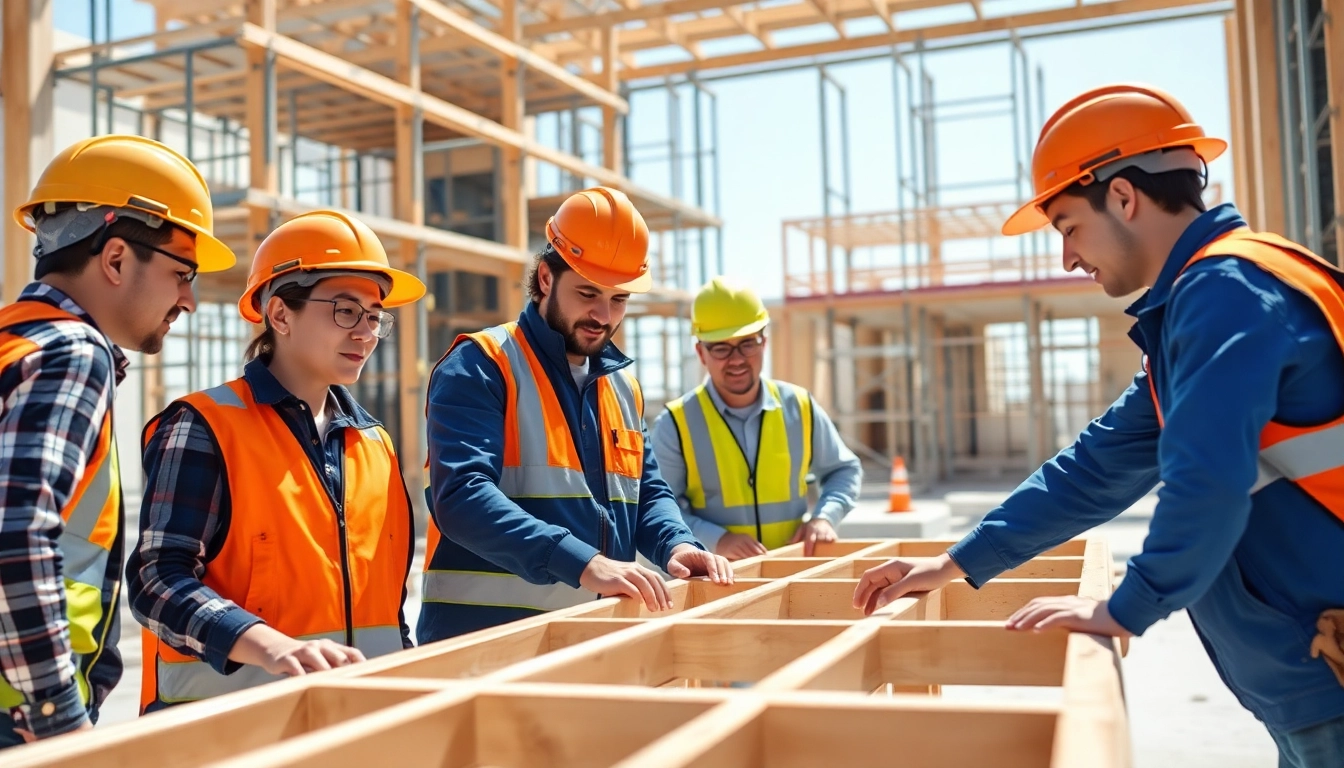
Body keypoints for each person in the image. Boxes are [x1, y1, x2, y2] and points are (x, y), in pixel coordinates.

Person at [851, 84, 1344, 766]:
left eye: (1066, 227)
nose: (1067, 258)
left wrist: (1126, 608)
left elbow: (1208, 481)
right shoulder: (1202, 306)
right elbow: (1094, 469)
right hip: (1310, 673)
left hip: (1329, 679)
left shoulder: (1227, 292)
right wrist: (955, 562)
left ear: (1122, 196)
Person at [128, 210, 424, 712]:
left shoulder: (376, 444)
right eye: (346, 311)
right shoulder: (203, 426)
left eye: (375, 316)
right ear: (281, 315)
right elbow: (156, 582)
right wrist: (270, 645)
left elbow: (386, 613)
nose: (367, 333)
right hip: (228, 731)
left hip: (359, 724)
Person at [418, 186, 733, 642]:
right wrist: (581, 562)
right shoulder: (483, 364)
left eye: (619, 299)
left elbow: (644, 491)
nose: (603, 315)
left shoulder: (622, 385)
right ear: (546, 278)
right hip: (485, 646)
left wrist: (676, 542)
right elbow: (462, 499)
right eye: (588, 293)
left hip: (591, 642)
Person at [0, 135, 234, 746]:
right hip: (22, 718)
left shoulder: (13, 344)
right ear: (115, 259)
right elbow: (15, 534)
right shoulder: (70, 353)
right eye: (182, 274)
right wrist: (56, 715)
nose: (188, 299)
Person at [651, 277, 862, 559]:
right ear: (701, 353)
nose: (736, 359)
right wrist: (717, 540)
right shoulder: (675, 424)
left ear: (764, 342)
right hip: (717, 578)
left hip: (791, 570)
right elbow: (660, 507)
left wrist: (824, 517)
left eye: (747, 344)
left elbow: (844, 470)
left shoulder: (799, 406)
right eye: (721, 348)